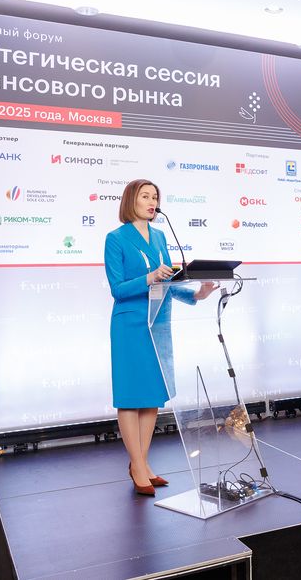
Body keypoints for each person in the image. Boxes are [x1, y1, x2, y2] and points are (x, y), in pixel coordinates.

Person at [105, 179, 217, 496]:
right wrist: (149, 277)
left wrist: (197, 293)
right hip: (130, 325)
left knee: (153, 395)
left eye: (155, 197)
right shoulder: (115, 239)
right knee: (131, 397)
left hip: (157, 325)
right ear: (131, 200)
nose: (152, 201)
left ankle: (142, 463)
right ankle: (137, 465)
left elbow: (166, 282)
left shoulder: (160, 236)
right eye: (145, 196)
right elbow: (118, 289)